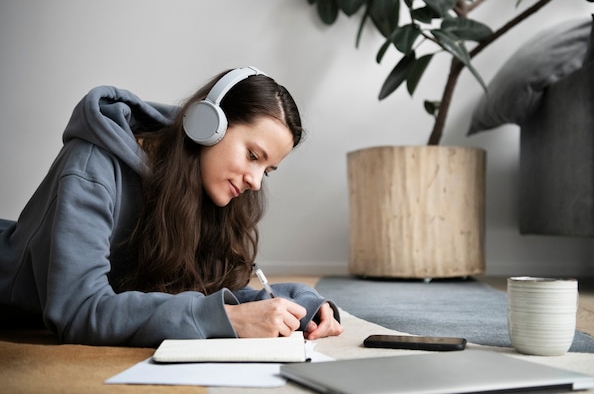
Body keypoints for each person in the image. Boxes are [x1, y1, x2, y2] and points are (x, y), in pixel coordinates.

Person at [0, 66, 343, 347]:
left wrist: (302, 304)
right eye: (253, 156)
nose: (255, 180)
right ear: (208, 125)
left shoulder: (203, 188)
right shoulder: (92, 167)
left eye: (266, 170)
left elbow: (202, 291)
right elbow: (79, 310)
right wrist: (226, 318)